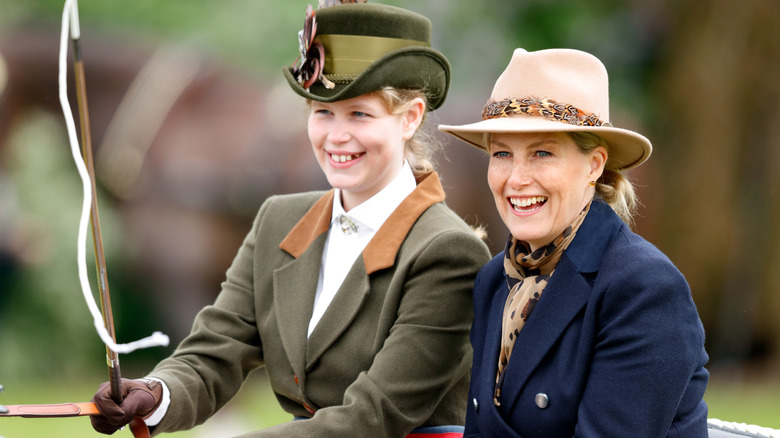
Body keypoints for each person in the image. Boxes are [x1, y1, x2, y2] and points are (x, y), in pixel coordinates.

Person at [89, 3, 490, 437]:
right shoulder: (277, 219)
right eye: (322, 113)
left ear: (410, 118)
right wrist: (157, 393)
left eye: (359, 114)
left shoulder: (449, 252)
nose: (336, 136)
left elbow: (373, 416)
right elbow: (213, 353)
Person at [438, 48, 709, 437]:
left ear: (594, 165)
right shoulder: (493, 281)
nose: (516, 179)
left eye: (542, 153)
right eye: (502, 154)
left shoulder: (644, 289)